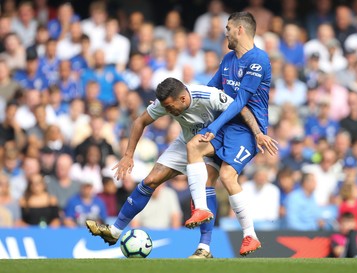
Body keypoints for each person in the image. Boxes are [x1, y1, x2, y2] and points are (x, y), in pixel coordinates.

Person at [86, 78, 275, 257]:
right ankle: (115, 231)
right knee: (151, 180)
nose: (167, 110)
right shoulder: (165, 103)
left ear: (183, 98)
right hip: (186, 141)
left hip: (214, 141)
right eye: (165, 107)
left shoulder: (208, 96)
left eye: (170, 107)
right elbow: (139, 121)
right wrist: (128, 155)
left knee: (207, 182)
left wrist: (258, 133)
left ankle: (204, 247)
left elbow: (240, 107)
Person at [184, 12, 277, 257]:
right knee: (194, 148)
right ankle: (203, 228)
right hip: (225, 125)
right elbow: (211, 89)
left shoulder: (259, 60)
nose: (224, 32)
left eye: (227, 28)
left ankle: (250, 235)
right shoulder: (228, 59)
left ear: (239, 30)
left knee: (227, 175)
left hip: (247, 129)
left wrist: (213, 128)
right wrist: (181, 98)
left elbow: (239, 102)